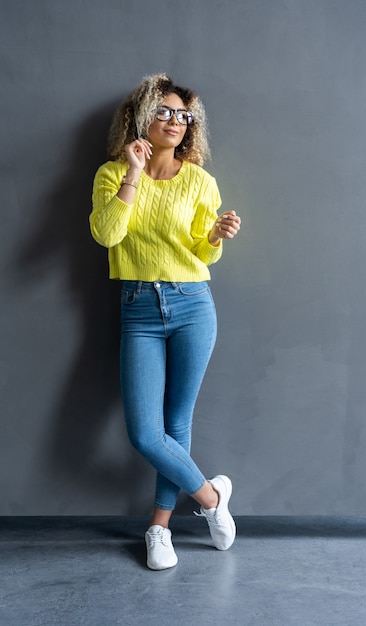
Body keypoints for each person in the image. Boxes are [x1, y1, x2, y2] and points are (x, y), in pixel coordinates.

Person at [90, 73, 241, 570]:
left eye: (184, 116)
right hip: (138, 307)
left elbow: (201, 252)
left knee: (177, 424)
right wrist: (133, 172)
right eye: (165, 111)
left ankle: (159, 527)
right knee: (145, 432)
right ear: (142, 116)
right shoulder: (112, 173)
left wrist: (215, 235)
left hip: (193, 304)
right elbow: (108, 236)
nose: (176, 122)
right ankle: (213, 500)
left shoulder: (201, 181)